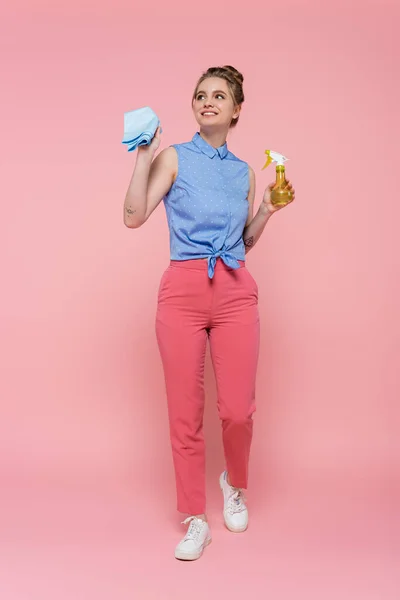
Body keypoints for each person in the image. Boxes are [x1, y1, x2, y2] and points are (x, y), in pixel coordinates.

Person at [123, 65, 295, 561]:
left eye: (219, 96)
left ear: (237, 109)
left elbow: (243, 242)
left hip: (236, 289)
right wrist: (143, 158)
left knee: (238, 410)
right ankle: (196, 517)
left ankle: (232, 483)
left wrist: (265, 209)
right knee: (184, 412)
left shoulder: (244, 171)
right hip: (182, 289)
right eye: (201, 95)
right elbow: (133, 217)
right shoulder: (175, 157)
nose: (208, 102)